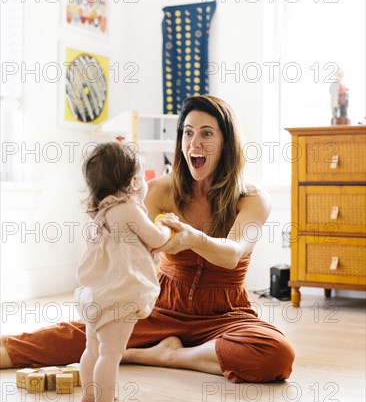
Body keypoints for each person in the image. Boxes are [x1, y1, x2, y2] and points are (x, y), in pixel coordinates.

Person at [1, 95, 295, 384]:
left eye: (207, 133)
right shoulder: (158, 191)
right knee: (76, 336)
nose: (195, 143)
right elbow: (122, 235)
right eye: (188, 133)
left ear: (227, 144)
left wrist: (192, 238)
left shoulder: (254, 199)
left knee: (275, 354)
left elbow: (233, 254)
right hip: (161, 306)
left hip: (224, 313)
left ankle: (161, 356)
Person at [74, 142, 174, 402]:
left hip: (94, 296)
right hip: (119, 297)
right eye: (143, 180)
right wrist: (166, 224)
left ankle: (91, 393)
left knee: (92, 348)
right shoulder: (129, 208)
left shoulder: (98, 215)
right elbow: (156, 239)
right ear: (133, 183)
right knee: (111, 354)